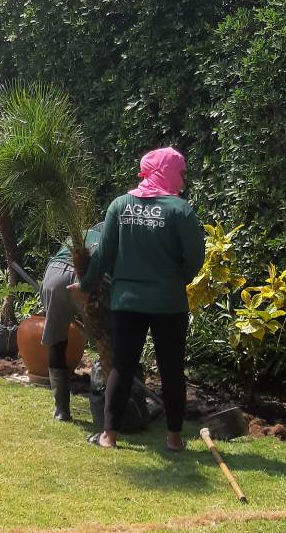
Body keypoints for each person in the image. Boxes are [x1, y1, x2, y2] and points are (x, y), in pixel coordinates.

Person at [79, 147, 205, 451]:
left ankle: (109, 436)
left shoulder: (120, 206)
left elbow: (104, 254)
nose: (183, 179)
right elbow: (195, 257)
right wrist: (178, 279)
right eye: (181, 172)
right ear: (168, 171)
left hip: (127, 302)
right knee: (171, 370)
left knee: (122, 366)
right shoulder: (180, 211)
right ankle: (174, 439)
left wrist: (86, 283)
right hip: (168, 303)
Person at [38, 223, 102, 422]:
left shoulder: (81, 234)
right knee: (106, 344)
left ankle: (61, 411)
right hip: (82, 276)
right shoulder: (111, 239)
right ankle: (107, 410)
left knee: (57, 343)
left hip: (53, 274)